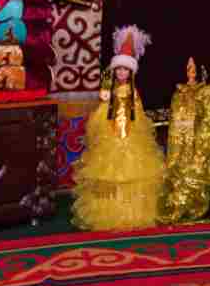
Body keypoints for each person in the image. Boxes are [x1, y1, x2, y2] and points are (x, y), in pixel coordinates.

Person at [70, 25, 165, 230]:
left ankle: (132, 211)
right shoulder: (109, 88)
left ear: (131, 71)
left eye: (125, 69)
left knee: (133, 169)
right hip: (110, 130)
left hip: (130, 131)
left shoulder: (134, 91)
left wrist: (132, 121)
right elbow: (106, 106)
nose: (121, 72)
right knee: (106, 169)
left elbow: (136, 108)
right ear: (114, 70)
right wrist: (106, 100)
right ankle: (108, 209)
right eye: (119, 69)